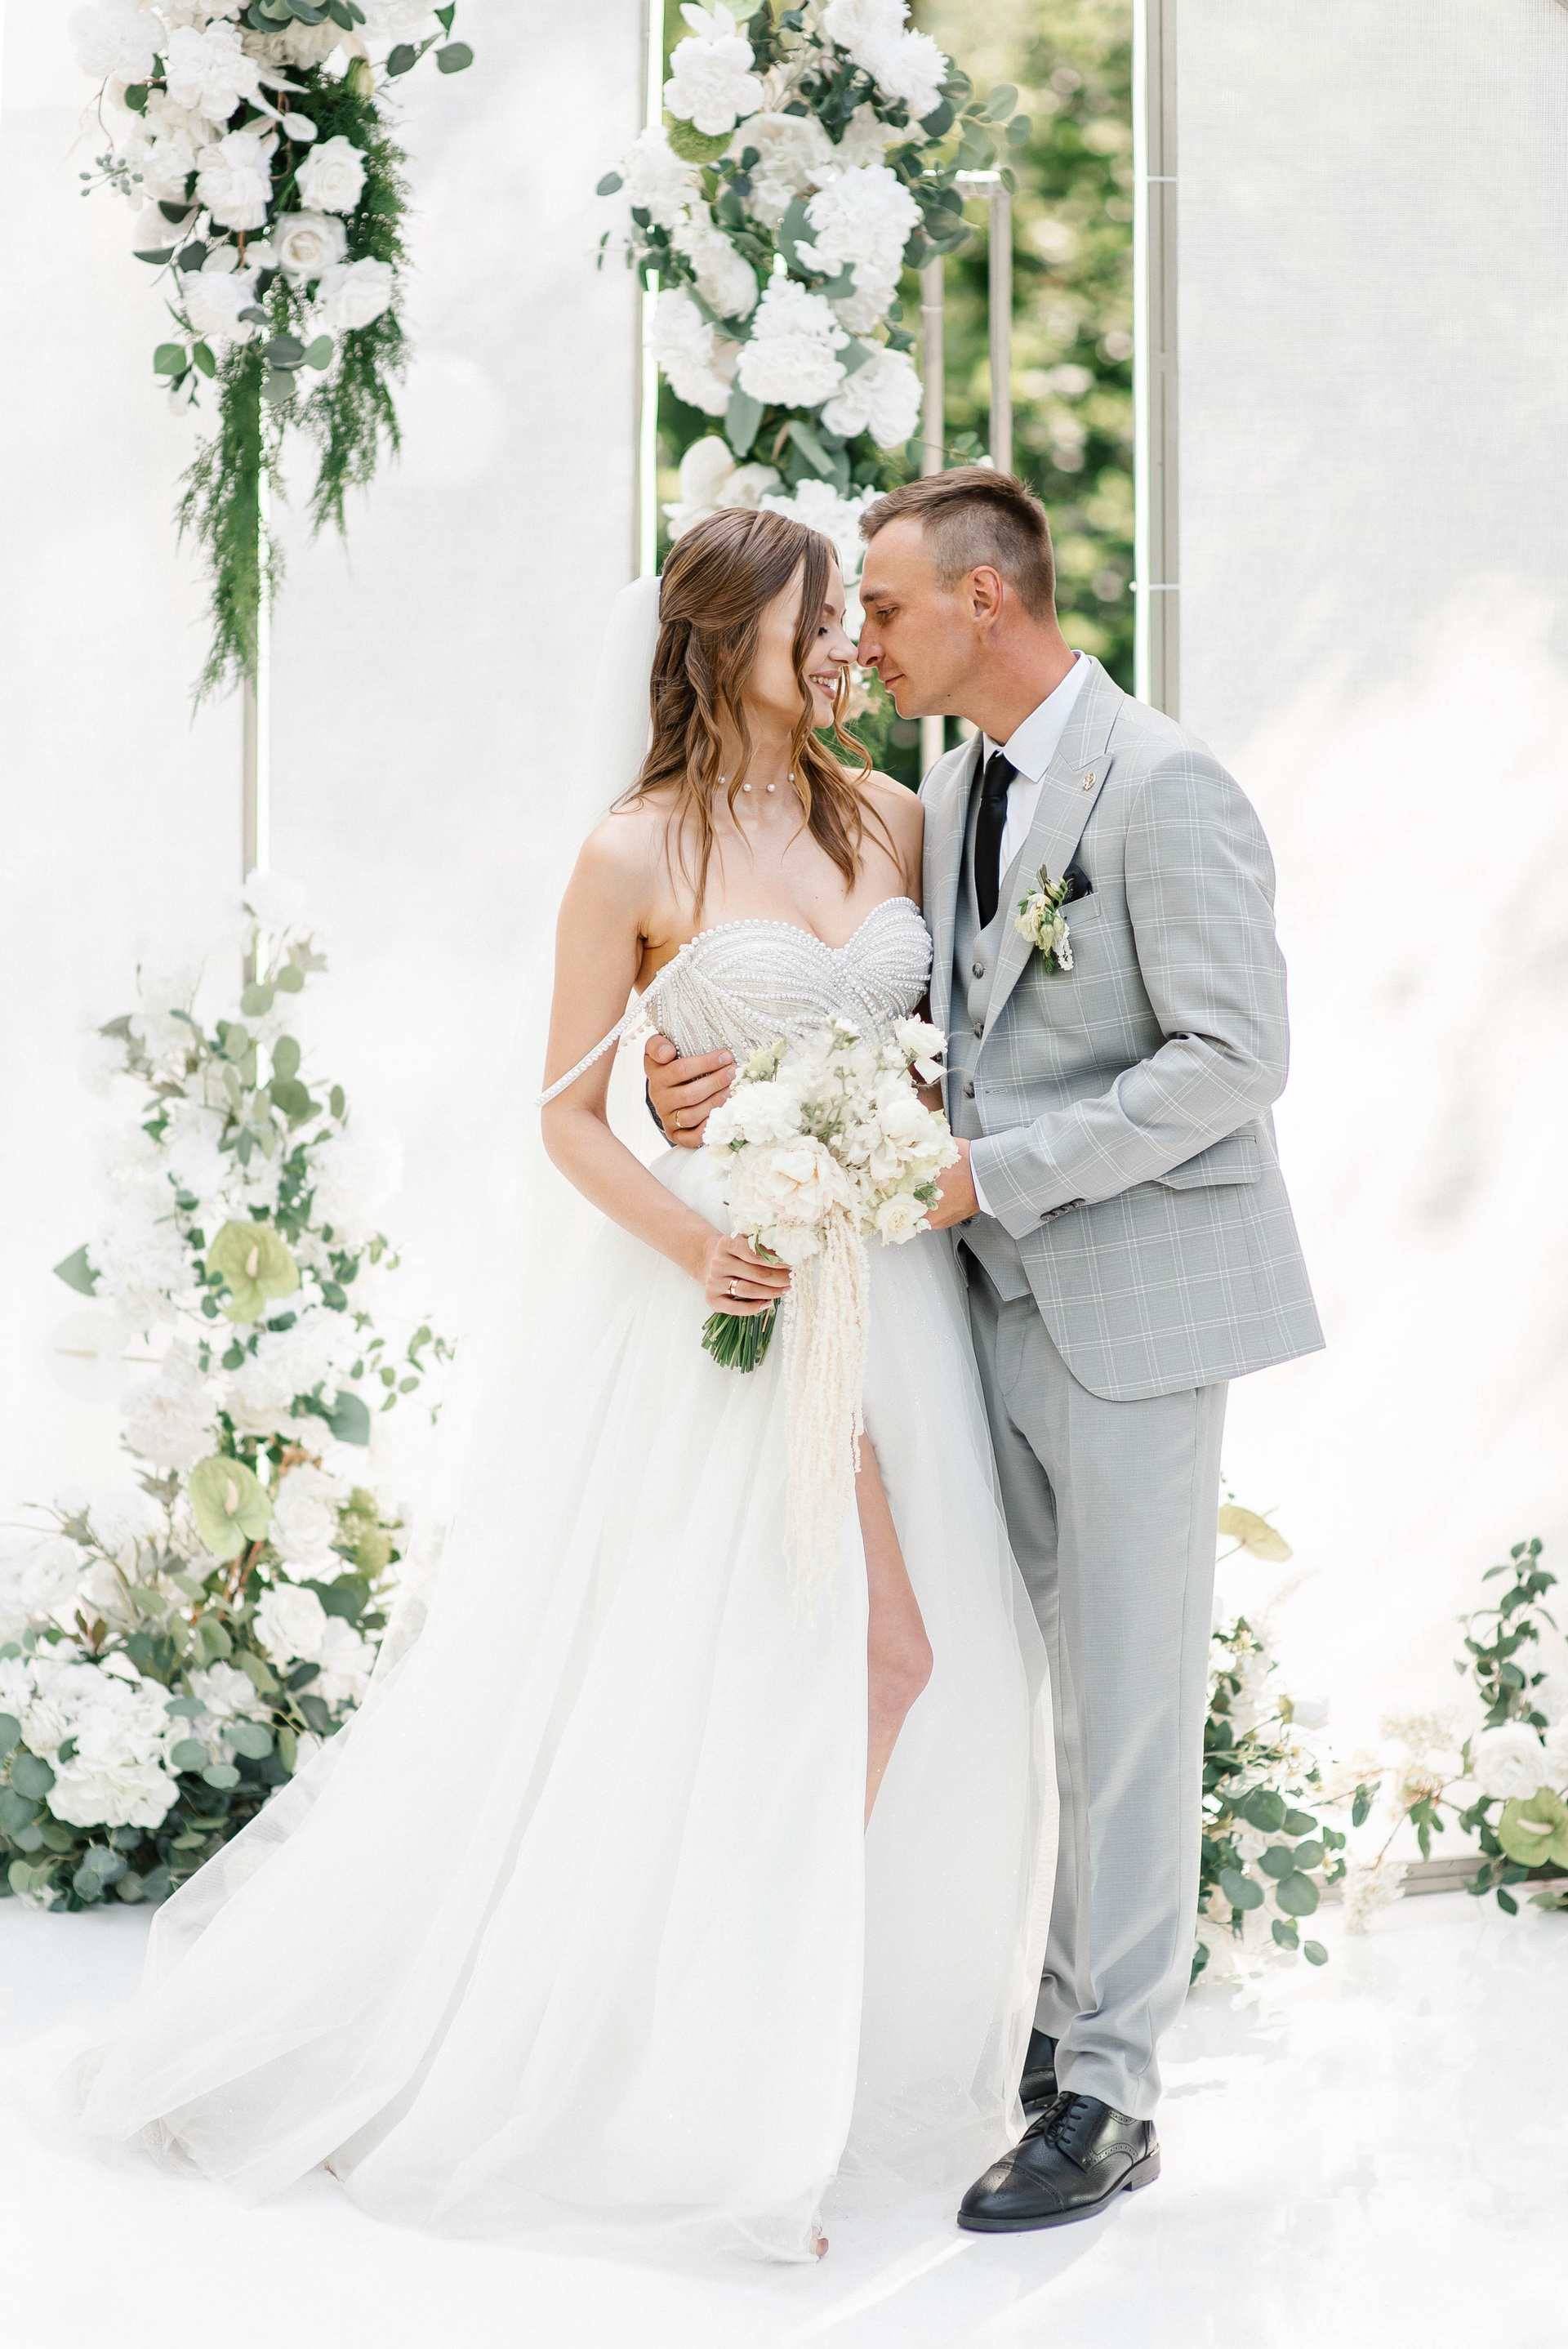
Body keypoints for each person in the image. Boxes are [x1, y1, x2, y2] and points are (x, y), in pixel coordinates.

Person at [74, 507, 1054, 2266]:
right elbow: (564, 1115)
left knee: (896, 1666)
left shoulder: (894, 815)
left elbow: (940, 1058)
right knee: (790, 1679)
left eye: (853, 613)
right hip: (737, 1305)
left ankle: (795, 2060)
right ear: (731, 639)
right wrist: (704, 1238)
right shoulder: (632, 850)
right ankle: (731, 2101)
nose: (847, 641)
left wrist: (884, 1141)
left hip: (892, 1296)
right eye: (820, 616)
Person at [648, 470, 1324, 2233]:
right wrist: (691, 1074)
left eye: (881, 607)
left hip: (1135, 1304)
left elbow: (1234, 1058)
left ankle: (1114, 2088)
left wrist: (993, 1173)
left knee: (1132, 1702)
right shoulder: (946, 796)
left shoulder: (1167, 787)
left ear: (985, 602)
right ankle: (1043, 2013)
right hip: (972, 1316)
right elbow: (891, 1018)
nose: (862, 641)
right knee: (1008, 1681)